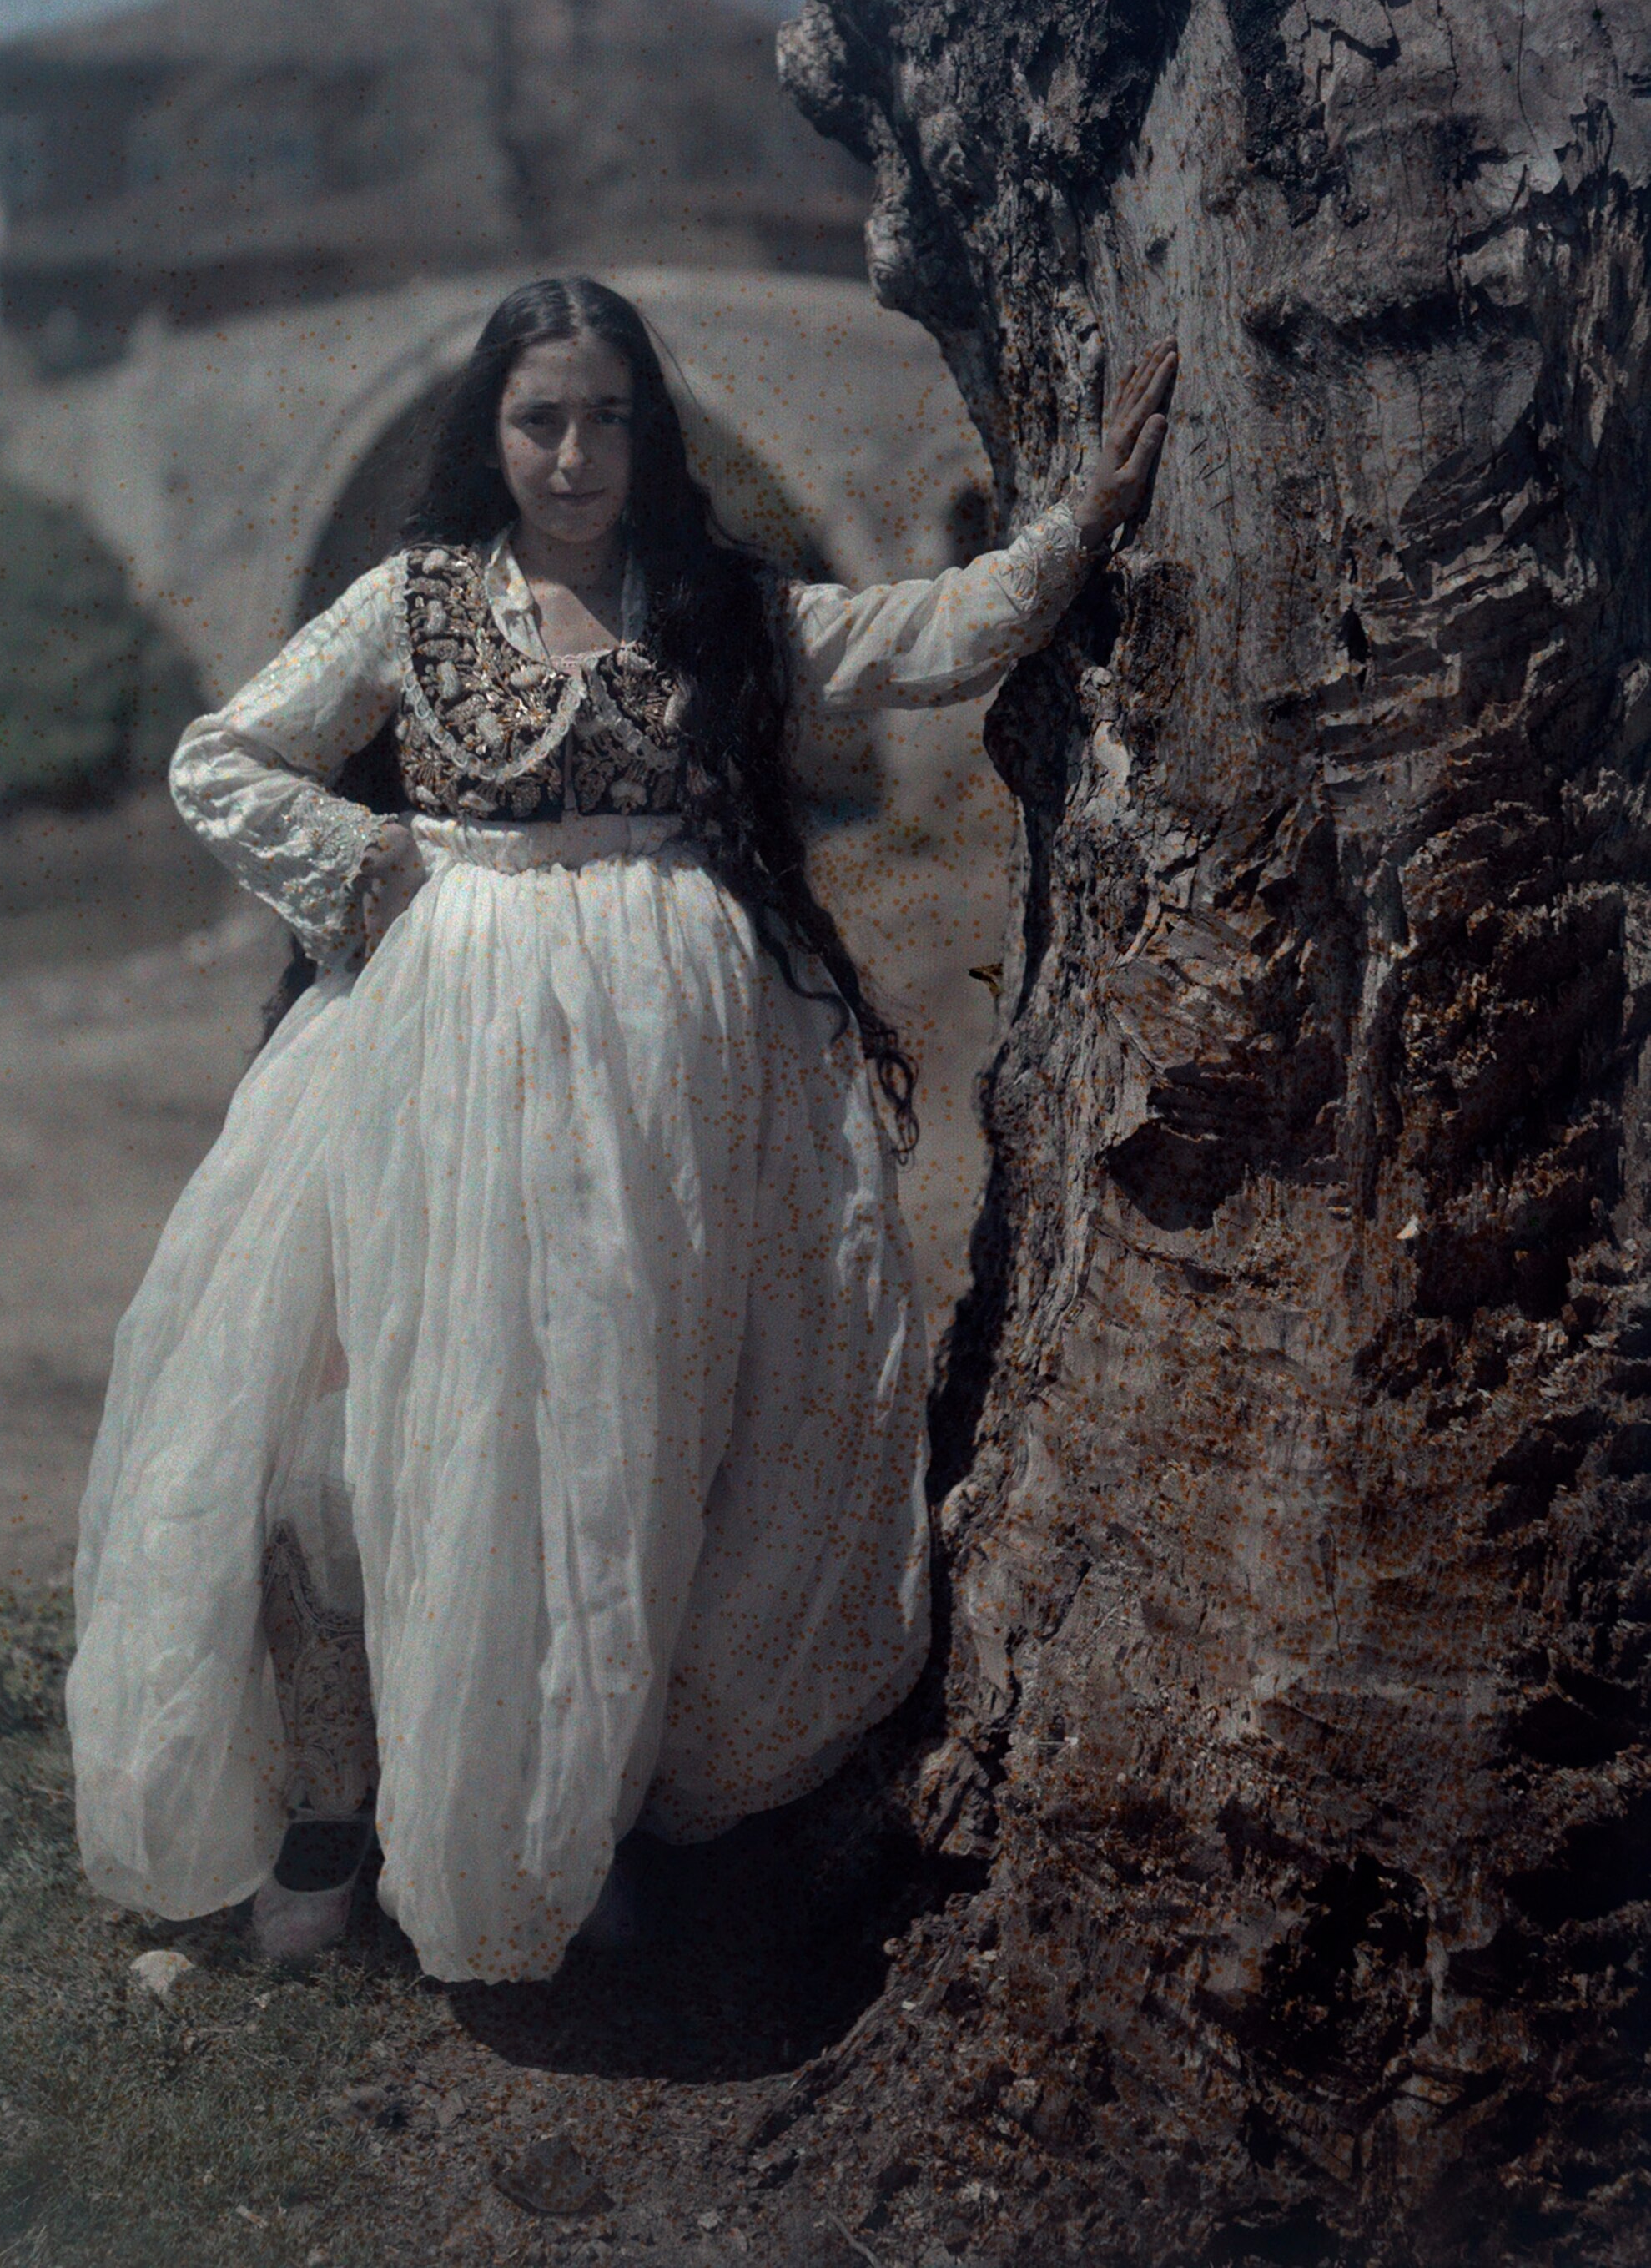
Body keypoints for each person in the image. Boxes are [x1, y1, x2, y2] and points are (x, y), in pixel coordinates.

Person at [68, 275, 1177, 1984]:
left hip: (672, 1066)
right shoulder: (411, 603)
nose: (574, 453)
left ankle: (585, 1812)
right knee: (394, 1418)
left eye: (606, 418)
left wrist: (1082, 521)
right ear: (490, 435)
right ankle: (359, 1812)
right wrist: (366, 869)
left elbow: (918, 639)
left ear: (647, 431)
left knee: (628, 1419)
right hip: (443, 1053)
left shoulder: (710, 602)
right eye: (539, 419)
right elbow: (224, 762)